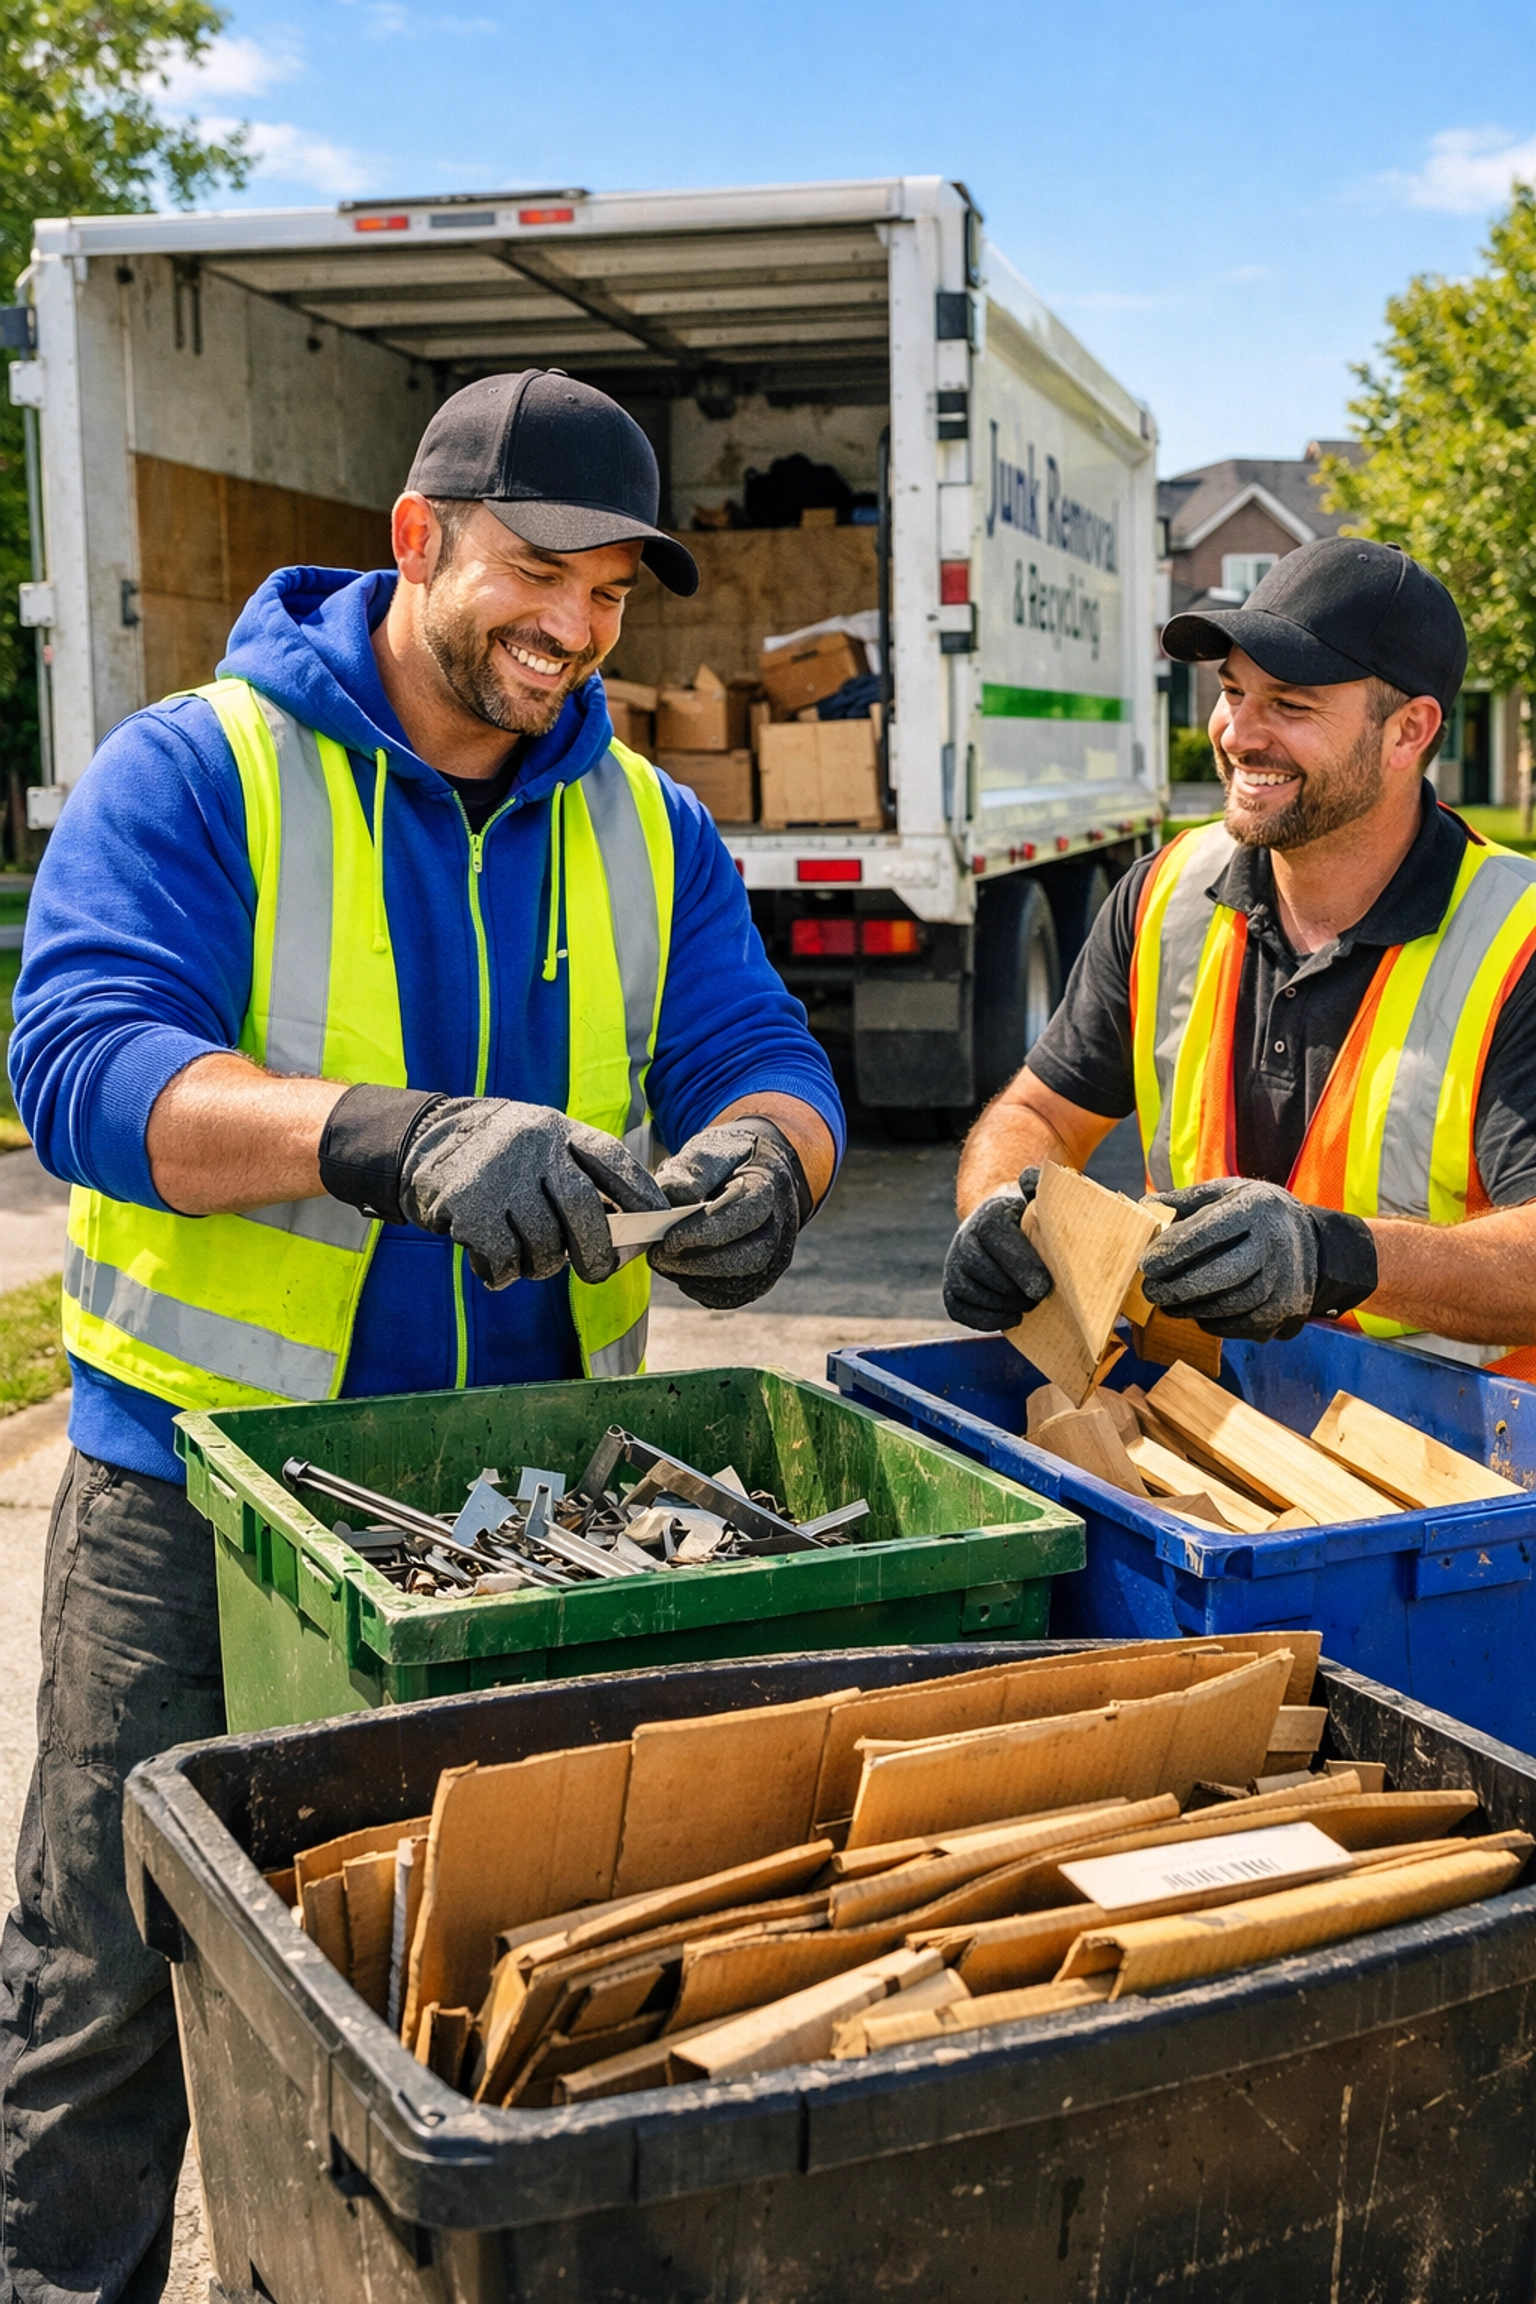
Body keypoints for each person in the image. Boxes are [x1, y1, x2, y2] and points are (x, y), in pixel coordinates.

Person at [0, 368, 843, 2300]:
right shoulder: (198, 767)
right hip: (200, 1513)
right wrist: (388, 1137)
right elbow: (79, 1064)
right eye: (536, 570)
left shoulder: (640, 815)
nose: (572, 625)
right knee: (104, 1984)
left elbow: (761, 1055)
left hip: (515, 1536)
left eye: (614, 595)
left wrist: (766, 1165)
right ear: (415, 539)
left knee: (455, 1997)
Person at [944, 536, 1536, 1367]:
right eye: (1231, 692)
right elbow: (1040, 1113)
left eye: (1289, 705)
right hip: (1198, 1436)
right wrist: (1003, 1206)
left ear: (1410, 731)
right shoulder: (1165, 893)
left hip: (1458, 1464)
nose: (1237, 734)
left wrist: (1330, 1257)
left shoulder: (1519, 940)